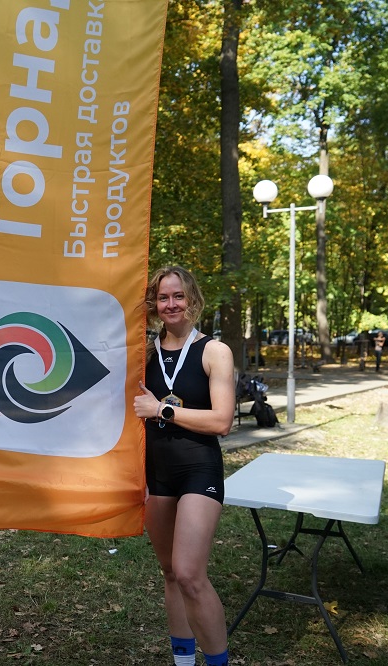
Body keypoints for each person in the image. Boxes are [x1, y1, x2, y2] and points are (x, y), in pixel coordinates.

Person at [133, 266, 234, 666]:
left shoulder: (214, 351)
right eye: (163, 297)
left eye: (178, 296)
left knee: (190, 574)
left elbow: (222, 421)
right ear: (154, 304)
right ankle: (183, 661)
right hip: (155, 473)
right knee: (170, 573)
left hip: (198, 470)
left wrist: (163, 409)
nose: (171, 304)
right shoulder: (143, 353)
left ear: (192, 299)